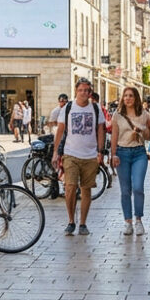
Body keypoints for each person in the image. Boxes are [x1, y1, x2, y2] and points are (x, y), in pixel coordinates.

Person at [52, 79, 106, 236]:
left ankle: (83, 223)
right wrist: (56, 152)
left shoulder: (96, 108)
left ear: (90, 92)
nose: (84, 93)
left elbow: (101, 130)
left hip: (90, 155)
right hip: (71, 154)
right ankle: (71, 220)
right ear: (76, 91)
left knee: (86, 189)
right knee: (70, 187)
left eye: (87, 90)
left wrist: (100, 151)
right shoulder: (68, 108)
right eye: (81, 90)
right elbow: (60, 130)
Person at [110, 87, 150, 235]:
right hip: (122, 153)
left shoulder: (144, 114)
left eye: (131, 96)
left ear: (136, 98)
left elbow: (149, 137)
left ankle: (138, 220)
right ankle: (128, 221)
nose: (128, 98)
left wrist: (142, 129)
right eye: (125, 95)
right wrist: (113, 154)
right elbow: (114, 136)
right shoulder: (117, 115)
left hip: (139, 153)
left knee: (138, 187)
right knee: (125, 190)